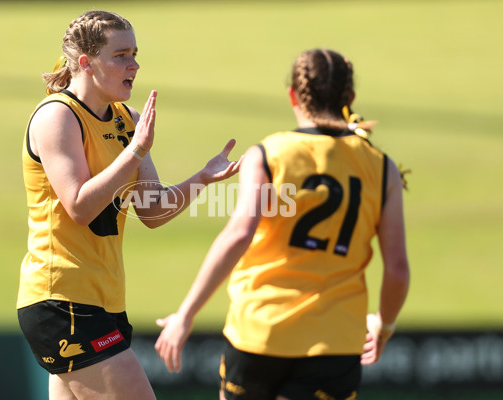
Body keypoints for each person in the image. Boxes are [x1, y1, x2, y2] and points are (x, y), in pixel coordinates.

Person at [155, 48, 410, 400]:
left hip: (260, 332)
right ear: (349, 98)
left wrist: (186, 314)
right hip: (335, 341)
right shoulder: (382, 168)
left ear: (293, 94)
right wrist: (384, 326)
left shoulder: (269, 153)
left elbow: (238, 234)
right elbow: (397, 269)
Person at [16, 10, 240, 400]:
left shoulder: (126, 119)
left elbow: (152, 210)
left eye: (135, 53)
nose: (134, 65)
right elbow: (80, 206)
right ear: (85, 63)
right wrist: (135, 151)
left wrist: (201, 178)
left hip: (104, 300)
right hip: (63, 299)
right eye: (120, 55)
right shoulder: (58, 116)